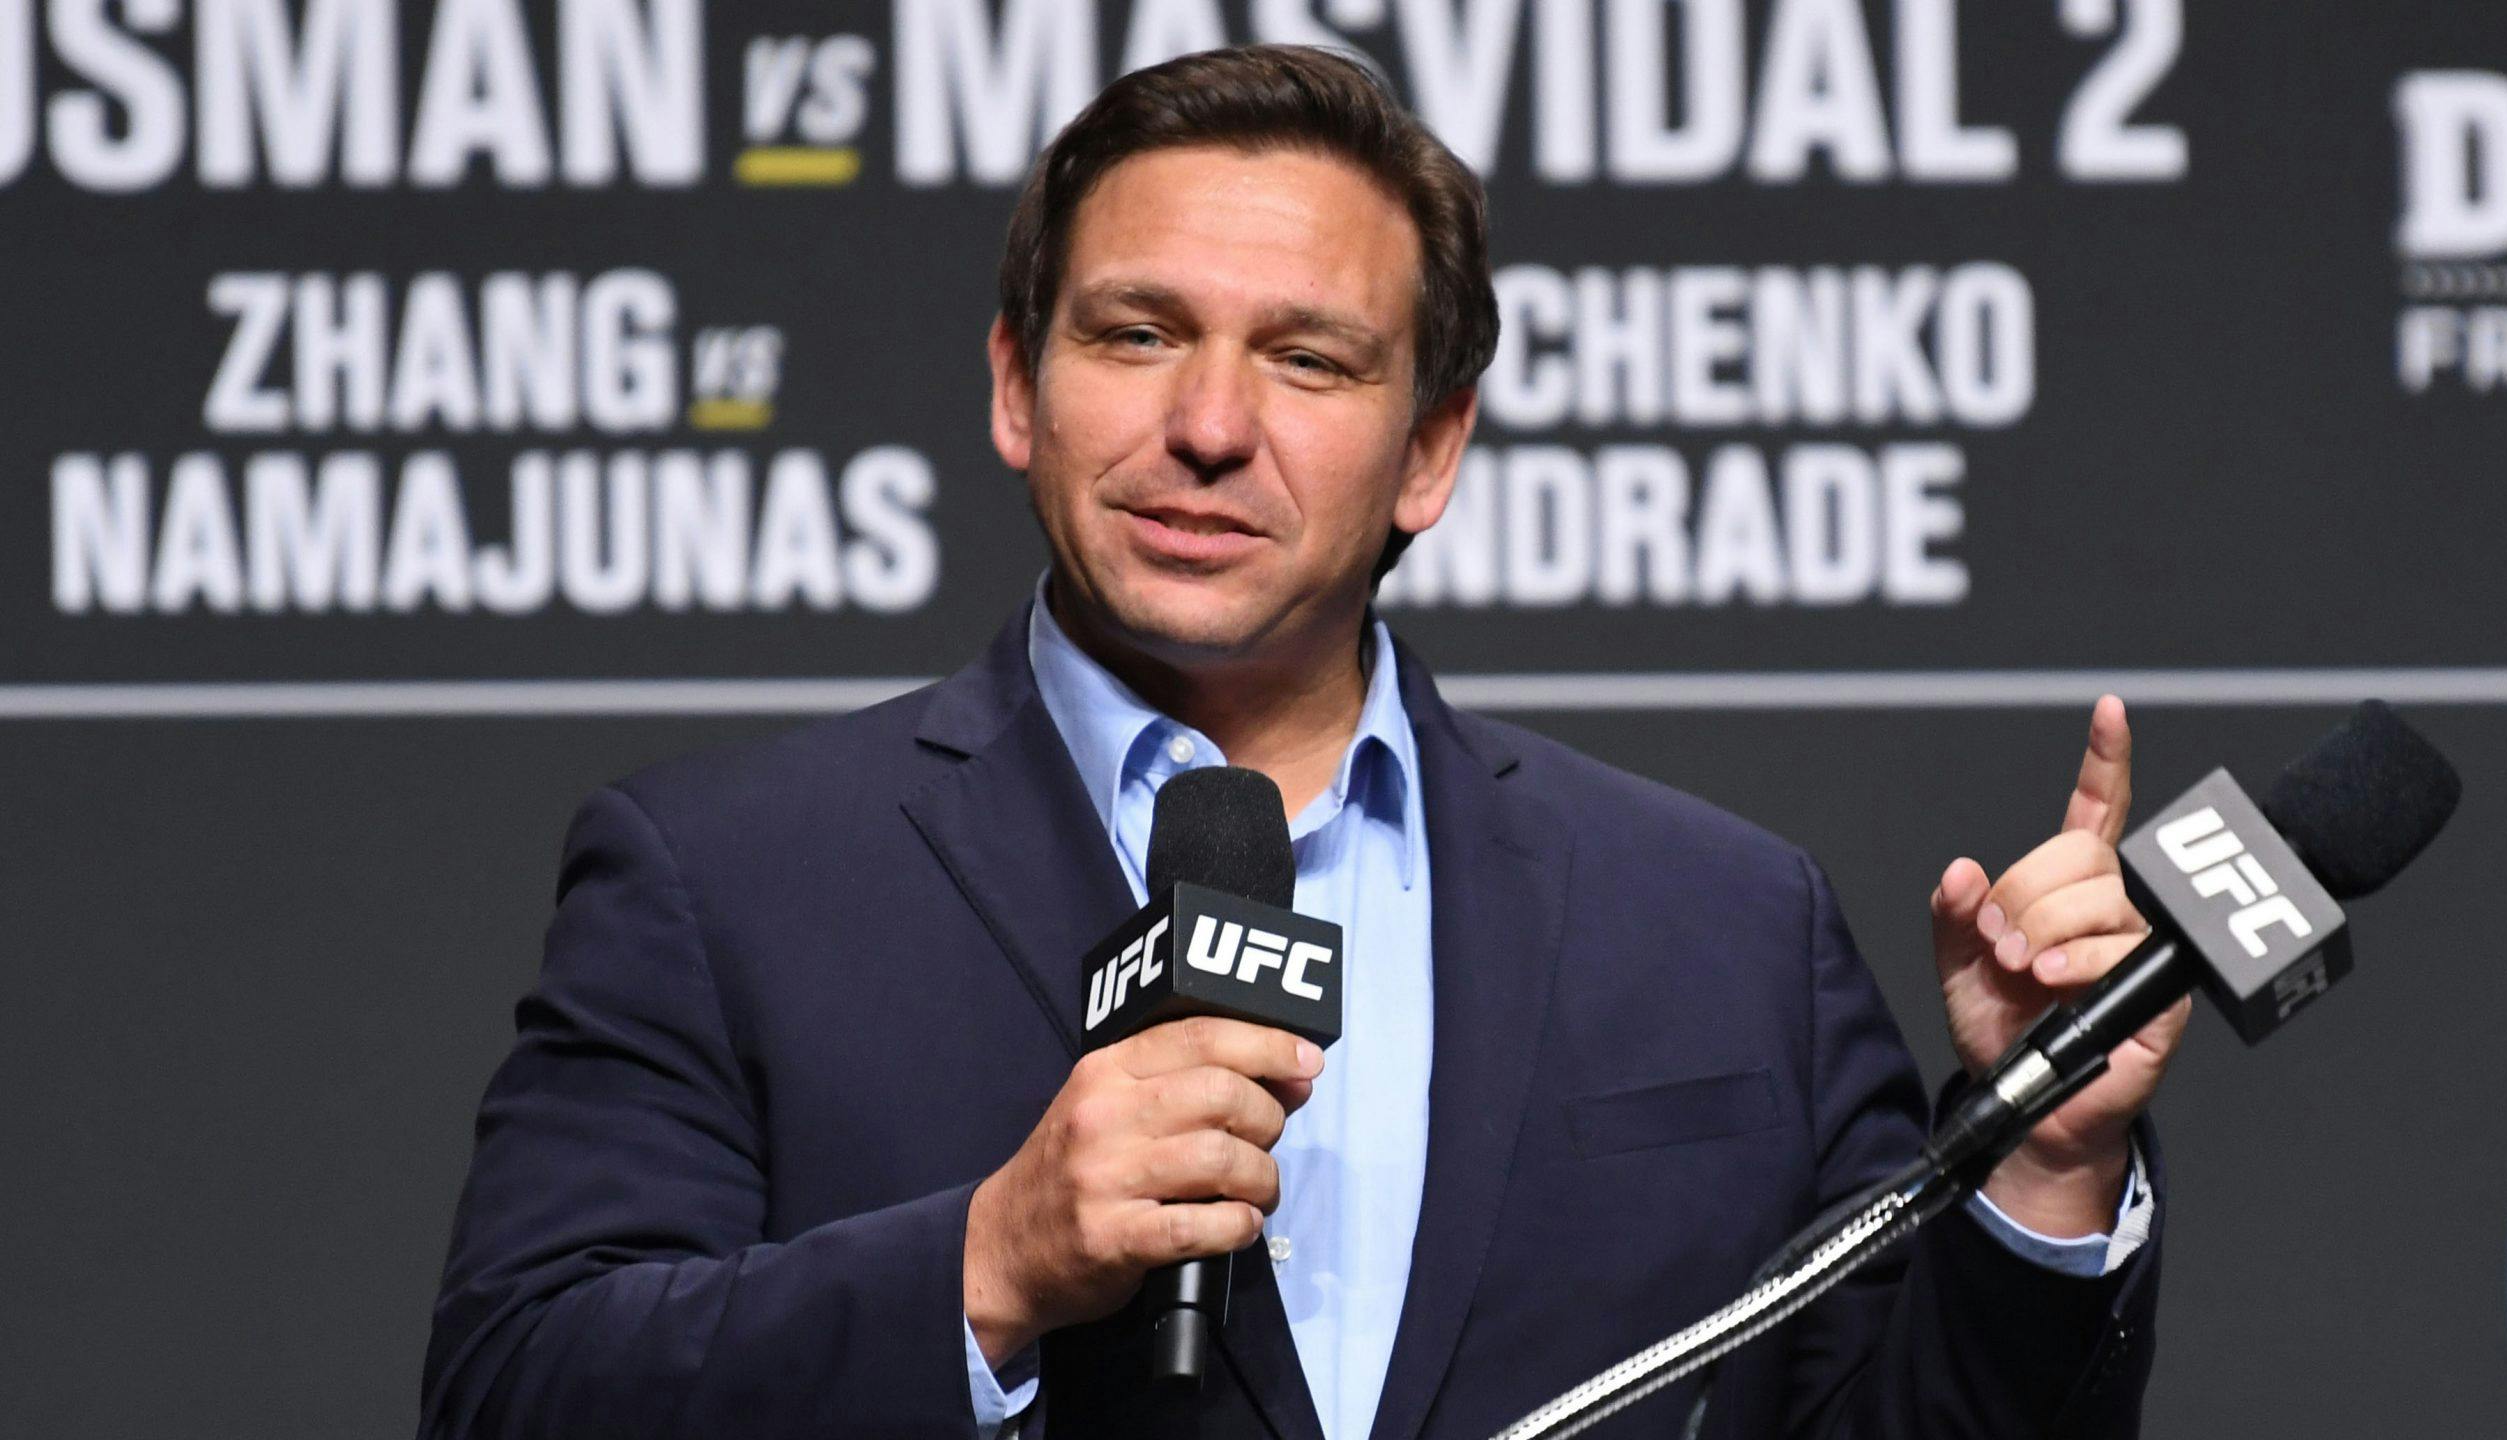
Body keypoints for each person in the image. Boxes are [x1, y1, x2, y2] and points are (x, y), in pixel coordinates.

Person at [422, 44, 2182, 1440]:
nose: (1207, 424)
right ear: (1018, 388)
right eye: (1138, 334)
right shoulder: (725, 878)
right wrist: (987, 1266)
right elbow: (518, 1391)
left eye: (1310, 362)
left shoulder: (1722, 922)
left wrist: (2044, 1158)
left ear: (1431, 450)